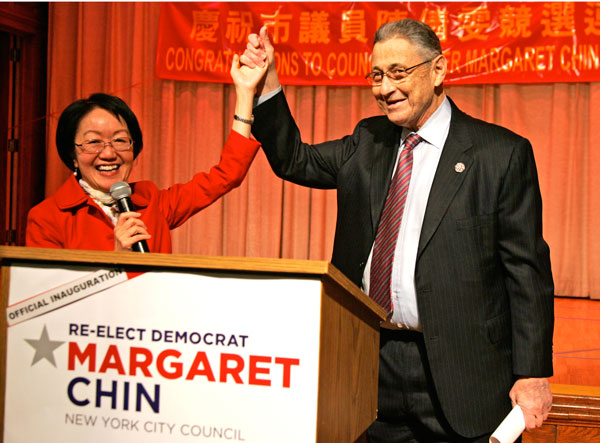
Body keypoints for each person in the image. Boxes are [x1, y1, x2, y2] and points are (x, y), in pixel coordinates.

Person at [241, 19, 554, 442]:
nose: (384, 88)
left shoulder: (500, 155)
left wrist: (532, 374)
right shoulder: (368, 140)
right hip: (372, 364)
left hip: (463, 374)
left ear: (438, 70)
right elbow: (295, 159)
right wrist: (269, 84)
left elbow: (527, 272)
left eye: (398, 73)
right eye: (376, 75)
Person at [26, 55, 267, 252]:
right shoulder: (47, 219)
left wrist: (245, 94)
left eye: (120, 140)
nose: (109, 153)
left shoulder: (151, 202)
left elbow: (226, 175)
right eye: (94, 142)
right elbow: (48, 303)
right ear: (72, 154)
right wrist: (116, 260)